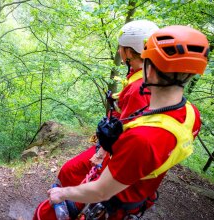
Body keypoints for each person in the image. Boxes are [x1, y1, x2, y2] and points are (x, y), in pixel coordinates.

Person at [42, 25, 209, 220]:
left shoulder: (142, 138)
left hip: (113, 200)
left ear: (151, 70)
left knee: (44, 213)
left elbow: (101, 191)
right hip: (137, 193)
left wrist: (62, 194)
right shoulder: (191, 114)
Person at [58, 20, 159, 189]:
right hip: (117, 142)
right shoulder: (145, 75)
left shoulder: (138, 89)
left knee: (68, 171)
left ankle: (65, 204)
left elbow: (128, 128)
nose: (119, 50)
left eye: (121, 47)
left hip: (116, 147)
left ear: (128, 51)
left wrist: (101, 153)